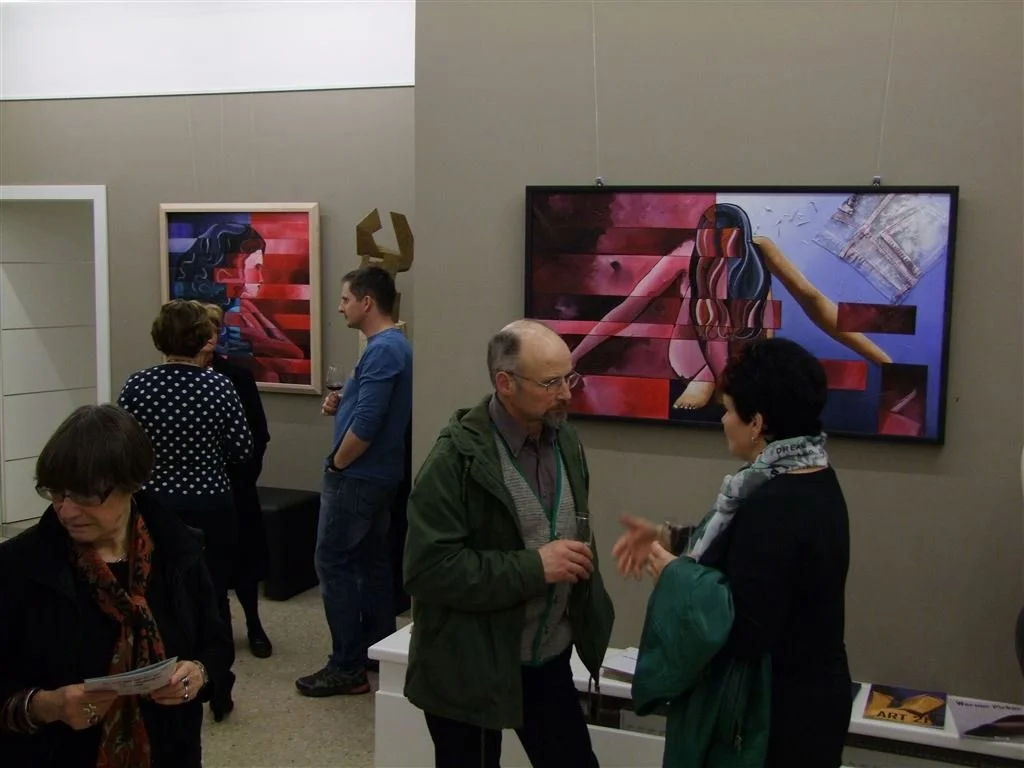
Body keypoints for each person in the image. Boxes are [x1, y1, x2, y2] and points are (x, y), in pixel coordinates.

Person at [613, 337, 852, 767]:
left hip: (774, 721)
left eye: (727, 410)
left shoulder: (774, 503)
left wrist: (676, 578)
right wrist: (669, 537)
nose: (723, 421)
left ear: (756, 422)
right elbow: (760, 558)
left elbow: (745, 627)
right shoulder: (813, 477)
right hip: (815, 703)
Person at [403, 319, 615, 768]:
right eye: (550, 383)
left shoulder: (566, 441)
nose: (566, 393)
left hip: (547, 659)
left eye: (570, 377)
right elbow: (428, 570)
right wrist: (536, 567)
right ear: (505, 383)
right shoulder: (454, 460)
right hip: (469, 666)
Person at [0, 404, 232, 767]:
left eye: (85, 495)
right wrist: (48, 706)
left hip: (170, 750)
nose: (66, 510)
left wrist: (198, 674)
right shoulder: (19, 566)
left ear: (132, 484)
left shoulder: (179, 551)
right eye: (56, 493)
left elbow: (216, 643)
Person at [568, 202, 891, 410]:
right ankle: (709, 377)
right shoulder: (685, 256)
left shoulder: (759, 250)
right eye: (712, 248)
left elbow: (812, 299)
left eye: (727, 247)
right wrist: (575, 356)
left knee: (754, 296)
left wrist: (881, 358)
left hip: (747, 354)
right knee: (712, 306)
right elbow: (628, 310)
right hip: (697, 355)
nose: (719, 257)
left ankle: (726, 378)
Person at [117, 299, 253, 721]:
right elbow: (241, 449)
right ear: (201, 338)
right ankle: (217, 680)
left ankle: (161, 677)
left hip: (154, 506)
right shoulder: (219, 387)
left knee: (158, 592)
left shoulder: (138, 386)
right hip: (211, 504)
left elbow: (122, 449)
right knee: (213, 593)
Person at [296, 265, 413, 697]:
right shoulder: (389, 347)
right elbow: (367, 404)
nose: (340, 307)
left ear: (367, 302)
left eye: (346, 299)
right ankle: (376, 648)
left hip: (359, 477)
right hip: (375, 475)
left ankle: (346, 666)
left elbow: (368, 423)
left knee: (333, 562)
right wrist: (342, 399)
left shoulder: (384, 350)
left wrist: (338, 464)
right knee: (370, 562)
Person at [200, 303, 274, 658]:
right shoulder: (171, 380)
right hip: (197, 487)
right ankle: (215, 630)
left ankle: (254, 624)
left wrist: (243, 476)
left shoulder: (237, 377)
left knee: (245, 561)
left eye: (214, 329)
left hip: (236, 483)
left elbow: (259, 435)